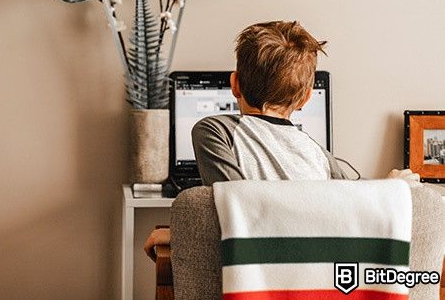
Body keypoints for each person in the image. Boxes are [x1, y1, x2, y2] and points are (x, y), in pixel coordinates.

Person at [143, 21, 419, 260]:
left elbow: (236, 209)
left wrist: (178, 233)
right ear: (306, 98)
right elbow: (351, 207)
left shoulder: (215, 130)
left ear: (234, 84)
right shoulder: (318, 154)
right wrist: (392, 185)